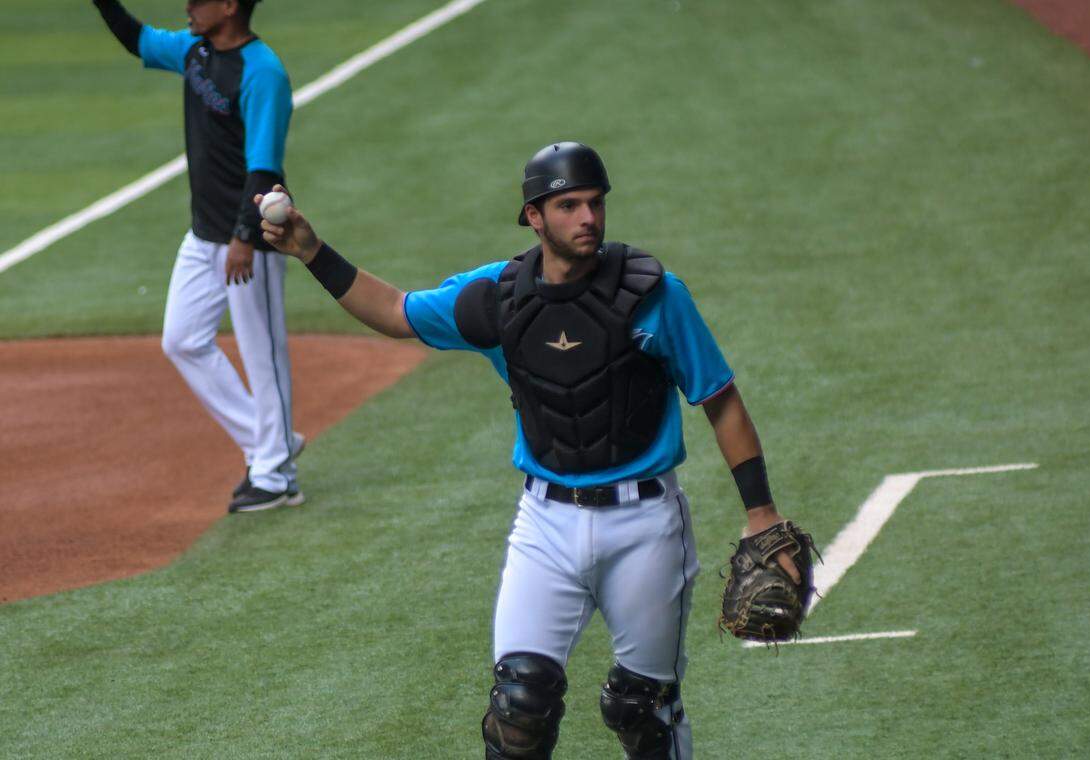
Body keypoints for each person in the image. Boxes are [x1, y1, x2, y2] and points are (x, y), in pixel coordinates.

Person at [259, 142, 805, 759]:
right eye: (568, 205)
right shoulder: (497, 298)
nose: (588, 218)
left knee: (642, 708)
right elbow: (393, 312)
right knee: (518, 708)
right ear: (534, 217)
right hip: (545, 523)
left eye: (595, 203)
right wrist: (309, 250)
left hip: (646, 526)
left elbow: (720, 399)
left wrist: (761, 511)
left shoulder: (654, 294)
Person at [92, 0, 303, 513]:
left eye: (198, 0)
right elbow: (136, 39)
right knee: (182, 340)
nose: (187, 6)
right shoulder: (194, 51)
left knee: (264, 355)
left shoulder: (263, 73)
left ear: (229, 6)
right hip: (203, 234)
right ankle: (267, 445)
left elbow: (264, 167)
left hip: (249, 239)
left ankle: (277, 477)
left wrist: (243, 239)